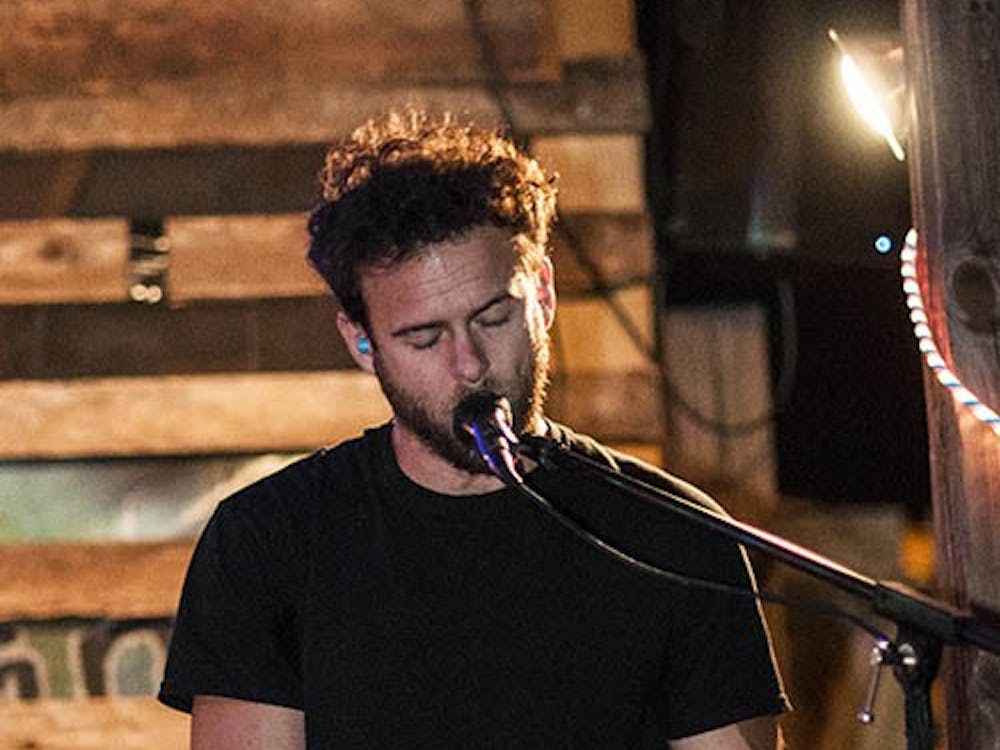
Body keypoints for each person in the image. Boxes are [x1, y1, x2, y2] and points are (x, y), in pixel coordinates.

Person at [158, 110, 790, 749]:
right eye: (424, 337)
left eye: (493, 317)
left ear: (541, 292)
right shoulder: (269, 542)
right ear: (360, 340)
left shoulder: (675, 536)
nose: (470, 366)